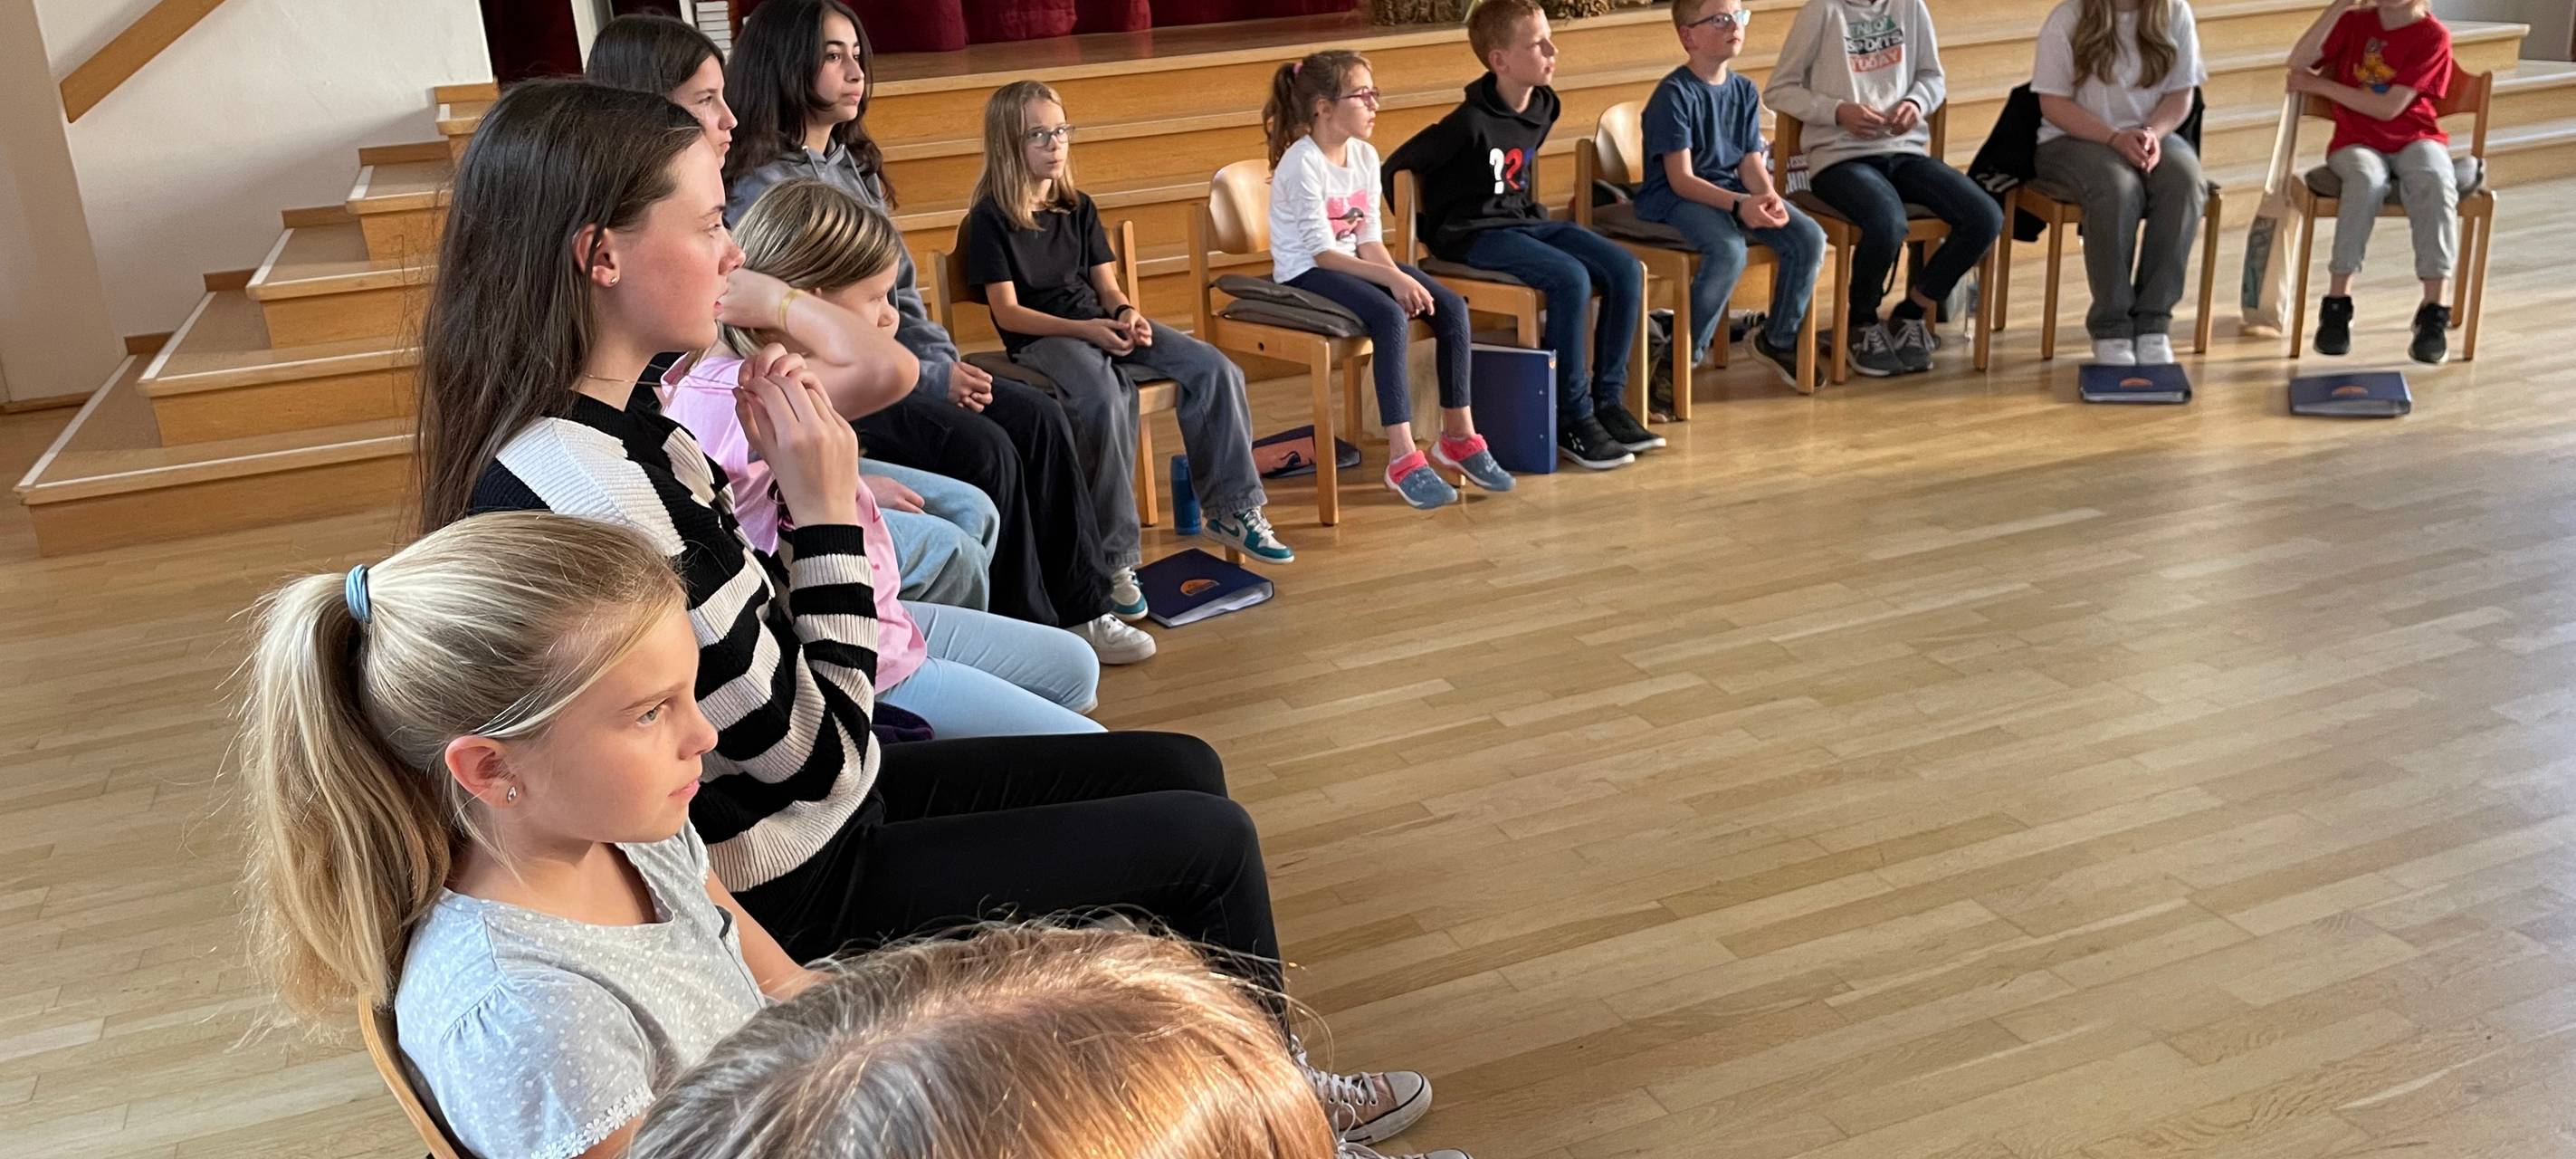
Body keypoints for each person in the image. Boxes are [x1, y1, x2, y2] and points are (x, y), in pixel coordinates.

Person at [409, 81, 1440, 1153]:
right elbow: (811, 754)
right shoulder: (595, 489)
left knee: (1183, 767)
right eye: (712, 223)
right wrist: (820, 515)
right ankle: (1279, 1125)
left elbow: (806, 712)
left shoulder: (635, 426)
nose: (732, 256)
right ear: (600, 255)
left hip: (823, 812)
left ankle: (1249, 1090)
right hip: (798, 866)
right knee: (1205, 843)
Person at [236, 513, 823, 1158]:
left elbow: (788, 994)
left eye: (688, 693)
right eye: (651, 712)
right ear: (492, 768)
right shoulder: (531, 1016)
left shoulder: (635, 837)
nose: (703, 737)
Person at [723, 0, 1154, 657]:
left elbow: (900, 295)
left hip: (906, 365)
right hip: (838, 384)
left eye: (857, 54)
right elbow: (812, 328)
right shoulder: (761, 186)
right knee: (986, 450)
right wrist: (930, 377)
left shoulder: (852, 165)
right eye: (832, 56)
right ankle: (1027, 630)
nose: (854, 70)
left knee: (1037, 417)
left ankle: (1083, 607)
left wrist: (947, 364)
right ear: (785, 66)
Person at [586, 12, 1002, 612]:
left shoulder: (838, 166)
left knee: (987, 478)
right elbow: (728, 451)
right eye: (706, 100)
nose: (729, 118)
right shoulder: (666, 301)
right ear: (646, 109)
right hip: (767, 510)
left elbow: (894, 296)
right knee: (966, 502)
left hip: (782, 458)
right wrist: (837, 490)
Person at [666, 178, 1104, 736]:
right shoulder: (748, 386)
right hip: (861, 664)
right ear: (812, 302)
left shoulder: (762, 368)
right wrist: (782, 301)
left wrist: (860, 482)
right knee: (1087, 739)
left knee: (1076, 667)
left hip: (885, 621)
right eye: (875, 299)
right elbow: (892, 369)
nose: (889, 317)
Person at [967, 80, 1293, 565]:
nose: (1055, 144)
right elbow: (1009, 313)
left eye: (1060, 131)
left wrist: (1126, 314)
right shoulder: (989, 219)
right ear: (1008, 145)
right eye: (1039, 135)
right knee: (1104, 398)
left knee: (1214, 369)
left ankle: (1233, 509)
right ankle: (1114, 557)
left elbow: (1108, 288)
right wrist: (1086, 331)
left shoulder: (1078, 206)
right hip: (1042, 338)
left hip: (1098, 322)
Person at [1384, 0, 1653, 470]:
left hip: (1523, 221)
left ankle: (1607, 401)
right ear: (1500, 60)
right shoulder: (1467, 123)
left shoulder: (1545, 103)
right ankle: (1573, 416)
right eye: (1536, 43)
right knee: (1569, 277)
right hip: (1473, 234)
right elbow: (1395, 169)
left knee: (1625, 268)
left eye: (1549, 38)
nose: (1552, 49)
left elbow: (1517, 169)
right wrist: (1430, 236)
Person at [1262, 51, 1514, 511]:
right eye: (1362, 95)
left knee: (1451, 307)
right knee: (1389, 316)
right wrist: (1392, 284)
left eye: (1374, 93)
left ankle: (1457, 436)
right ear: (1322, 106)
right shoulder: (1302, 163)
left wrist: (1398, 275)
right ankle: (1402, 457)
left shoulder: (1364, 155)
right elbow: (1322, 253)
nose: (1374, 104)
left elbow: (1369, 240)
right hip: (1307, 271)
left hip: (1352, 261)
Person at [1766, 0, 2004, 377]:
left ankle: (1911, 313)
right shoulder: (1822, 12)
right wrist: (1838, 111)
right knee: (1887, 221)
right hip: (1840, 159)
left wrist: (1915, 102)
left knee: (1986, 216)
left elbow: (1932, 78)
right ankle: (1861, 322)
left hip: (1904, 152)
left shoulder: (1910, 6)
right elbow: (1779, 90)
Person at [1632, 0, 1826, 388]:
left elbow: (1749, 162)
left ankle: (1778, 337)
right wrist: (1741, 205)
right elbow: (1682, 179)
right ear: (1688, 36)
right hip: (1677, 198)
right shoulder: (1674, 94)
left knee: (1809, 237)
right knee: (1728, 249)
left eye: (1738, 17)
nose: (1733, 26)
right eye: (1719, 19)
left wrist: (1769, 197)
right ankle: (1680, 357)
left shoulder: (1744, 90)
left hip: (1732, 193)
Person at [2028, 0, 2209, 367]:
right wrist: (2113, 138)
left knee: (2185, 181)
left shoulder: (2175, 12)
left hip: (2149, 133)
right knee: (2117, 187)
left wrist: (2151, 134)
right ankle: (2111, 325)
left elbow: (2181, 94)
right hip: (2074, 138)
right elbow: (2053, 103)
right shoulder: (2067, 18)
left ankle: (2153, 322)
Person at [2288, 0, 2458, 364]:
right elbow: (2298, 62)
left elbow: (2388, 108)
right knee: (2366, 180)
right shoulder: (2354, 22)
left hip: (2416, 137)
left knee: (2434, 178)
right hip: (2355, 143)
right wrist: (2339, 6)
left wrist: (2321, 86)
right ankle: (2337, 305)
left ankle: (2434, 310)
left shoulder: (2433, 35)